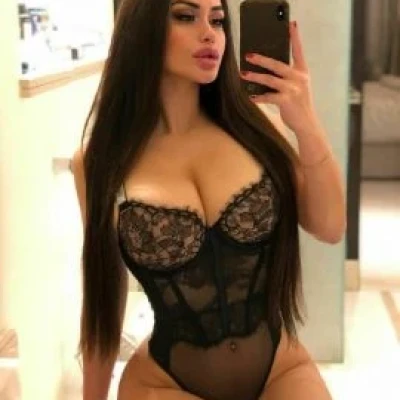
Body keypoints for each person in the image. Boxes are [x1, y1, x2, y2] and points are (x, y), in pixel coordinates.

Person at [71, 0, 346, 399]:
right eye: (186, 16)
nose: (209, 34)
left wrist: (307, 125)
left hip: (280, 370)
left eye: (217, 20)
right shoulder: (98, 163)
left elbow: (330, 227)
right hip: (164, 382)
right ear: (143, 28)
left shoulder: (257, 128)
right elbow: (103, 298)